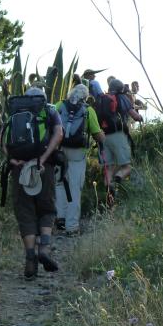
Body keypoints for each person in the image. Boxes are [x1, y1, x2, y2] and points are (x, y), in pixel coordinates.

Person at [3, 86, 64, 279]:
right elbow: (59, 134)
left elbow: (2, 139)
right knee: (47, 209)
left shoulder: (15, 111)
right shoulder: (49, 111)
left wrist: (12, 160)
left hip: (19, 169)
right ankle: (43, 250)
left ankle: (30, 259)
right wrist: (44, 157)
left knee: (25, 212)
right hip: (42, 168)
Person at [54, 84, 105, 234]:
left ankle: (61, 219)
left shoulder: (59, 105)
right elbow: (97, 134)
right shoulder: (89, 110)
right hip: (78, 153)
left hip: (59, 151)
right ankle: (72, 227)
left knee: (59, 184)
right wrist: (103, 137)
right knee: (74, 189)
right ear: (85, 96)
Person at [96, 78, 143, 200]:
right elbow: (134, 115)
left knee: (109, 168)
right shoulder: (122, 97)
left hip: (103, 136)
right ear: (120, 88)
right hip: (118, 135)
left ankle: (110, 194)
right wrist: (140, 117)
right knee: (126, 166)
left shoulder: (103, 99)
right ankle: (118, 178)